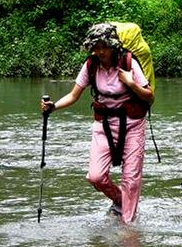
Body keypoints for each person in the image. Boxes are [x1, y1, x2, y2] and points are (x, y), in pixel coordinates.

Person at [40, 23, 153, 224]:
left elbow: (149, 97)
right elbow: (74, 95)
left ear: (113, 45)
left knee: (131, 179)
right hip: (104, 125)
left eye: (103, 46)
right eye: (95, 46)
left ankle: (128, 229)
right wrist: (53, 107)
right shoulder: (91, 65)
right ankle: (120, 201)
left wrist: (131, 83)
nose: (99, 51)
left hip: (133, 124)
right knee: (95, 177)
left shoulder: (128, 62)